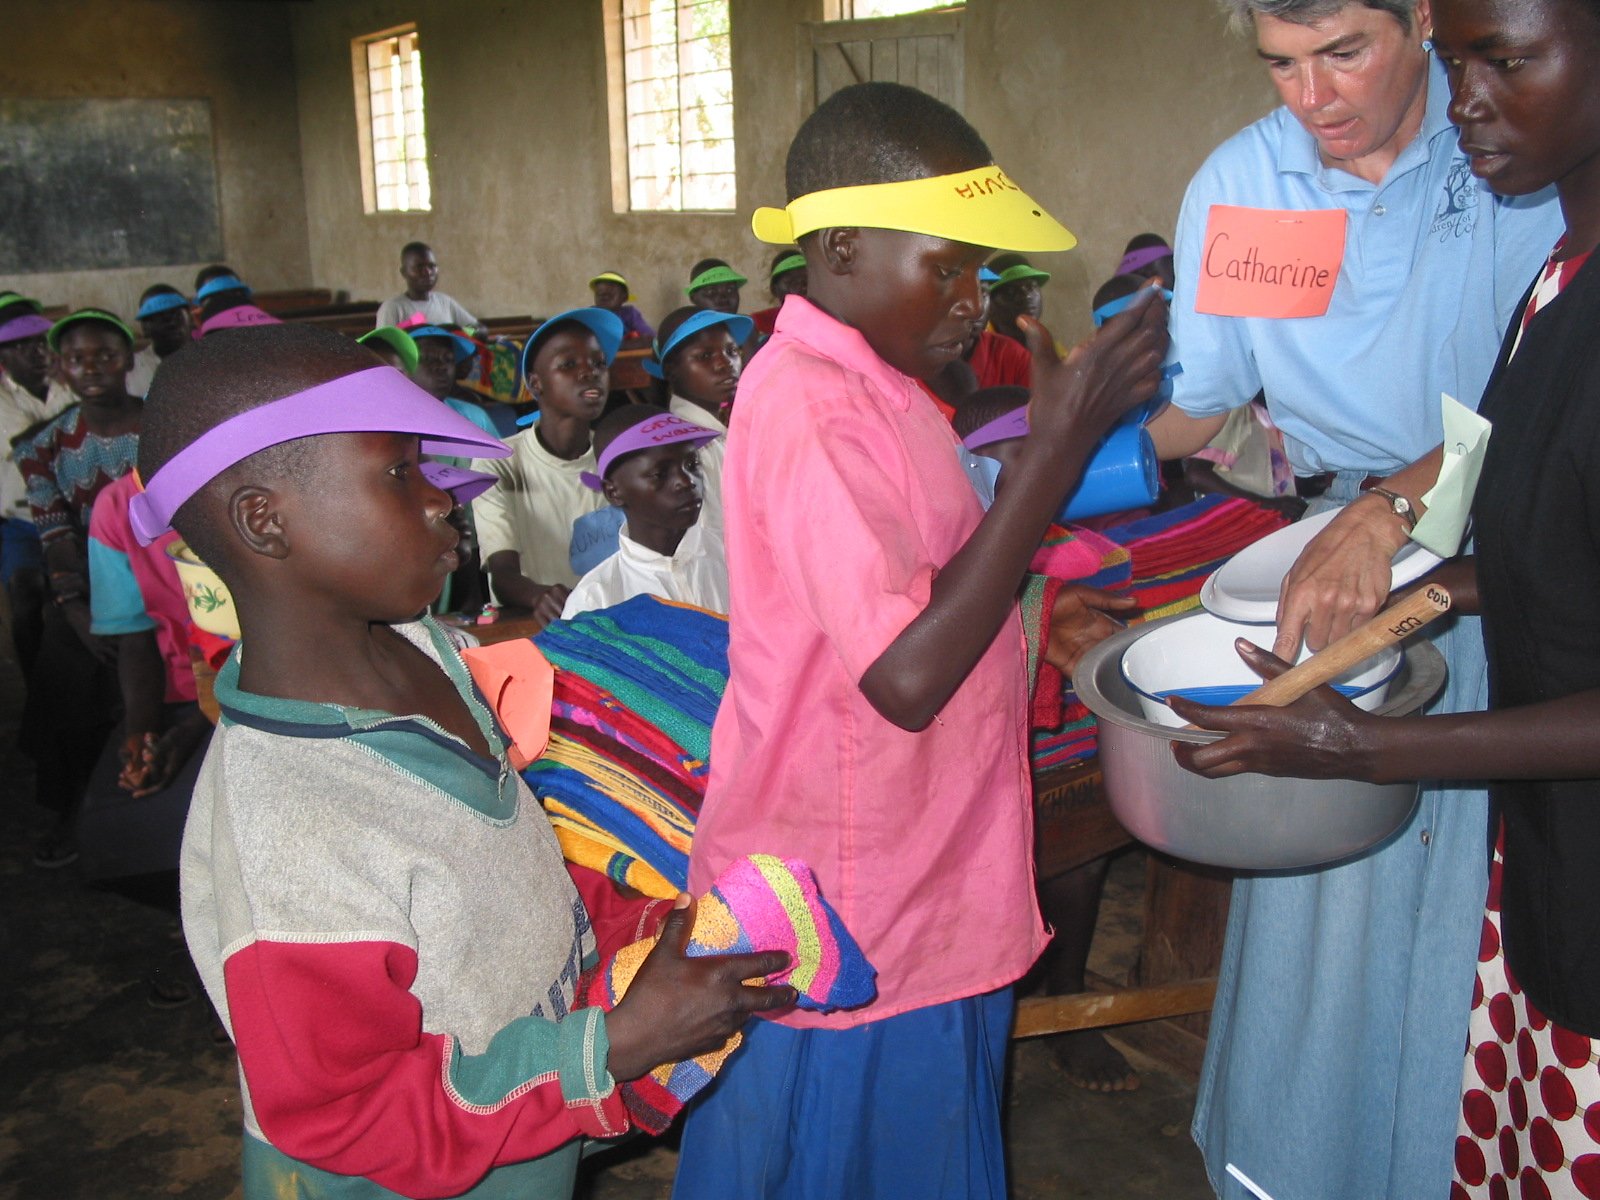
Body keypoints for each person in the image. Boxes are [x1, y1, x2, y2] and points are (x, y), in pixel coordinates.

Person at [129, 322, 793, 1199]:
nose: (444, 499)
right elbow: (346, 1111)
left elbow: (510, 861)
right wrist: (615, 1046)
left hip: (523, 1134)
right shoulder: (288, 825)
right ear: (266, 520)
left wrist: (639, 925)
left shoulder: (426, 651)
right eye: (399, 473)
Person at [672, 81, 1167, 1198]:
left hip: (924, 867)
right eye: (947, 266)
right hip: (849, 900)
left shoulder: (889, 393)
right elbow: (901, 675)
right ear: (841, 248)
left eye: (982, 275)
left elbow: (919, 589)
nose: (972, 303)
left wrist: (1034, 619)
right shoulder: (805, 402)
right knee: (831, 1159)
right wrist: (1050, 460)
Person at [1175, 5, 1600, 1193]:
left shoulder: (1512, 176)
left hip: (1485, 558)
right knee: (1336, 930)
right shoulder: (1243, 186)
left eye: (1342, 54)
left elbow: (1516, 427)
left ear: (1417, 20)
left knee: (1472, 913)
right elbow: (1196, 401)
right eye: (1277, 65)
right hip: (1364, 564)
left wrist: (1396, 516)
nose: (1308, 98)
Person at [12, 309, 144, 868]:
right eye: (76, 359)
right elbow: (56, 533)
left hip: (171, 580)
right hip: (90, 588)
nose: (91, 368)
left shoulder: (165, 423)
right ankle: (70, 812)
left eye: (105, 355)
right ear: (61, 369)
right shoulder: (44, 446)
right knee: (64, 677)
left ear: (130, 360)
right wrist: (76, 611)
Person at [469, 309, 618, 623]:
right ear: (536, 384)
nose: (590, 373)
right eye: (568, 364)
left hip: (612, 624)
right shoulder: (499, 461)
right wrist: (540, 596)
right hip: (534, 626)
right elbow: (502, 574)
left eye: (599, 363)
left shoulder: (617, 458)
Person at [561, 406, 725, 619]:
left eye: (692, 464)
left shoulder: (735, 559)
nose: (687, 481)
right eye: (660, 474)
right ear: (614, 492)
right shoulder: (596, 600)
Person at [0, 292, 75, 668]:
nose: (36, 351)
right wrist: (81, 412)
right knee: (26, 594)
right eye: (20, 345)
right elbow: (25, 443)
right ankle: (35, 686)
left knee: (82, 596)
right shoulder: (3, 397)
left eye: (39, 342)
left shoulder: (69, 384)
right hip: (21, 522)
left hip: (75, 516)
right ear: (4, 357)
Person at [376, 241, 478, 330]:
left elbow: (478, 328)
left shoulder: (445, 302)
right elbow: (382, 347)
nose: (428, 272)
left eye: (432, 266)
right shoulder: (392, 308)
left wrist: (458, 332)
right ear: (404, 272)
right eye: (419, 267)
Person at [129, 285, 193, 397]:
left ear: (190, 319)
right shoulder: (132, 370)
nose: (172, 323)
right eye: (160, 318)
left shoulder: (211, 358)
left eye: (177, 315)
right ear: (145, 328)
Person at [984, 252, 1051, 346]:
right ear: (988, 303)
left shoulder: (1051, 352)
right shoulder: (978, 351)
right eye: (1010, 292)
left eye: (1031, 287)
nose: (1026, 296)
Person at [749, 250, 808, 336]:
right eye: (790, 282)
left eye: (806, 280)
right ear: (774, 289)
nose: (801, 287)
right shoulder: (761, 323)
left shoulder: (828, 315)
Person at [587, 271, 655, 340]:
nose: (604, 297)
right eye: (599, 294)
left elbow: (650, 336)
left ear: (624, 297)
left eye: (609, 295)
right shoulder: (590, 315)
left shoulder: (630, 314)